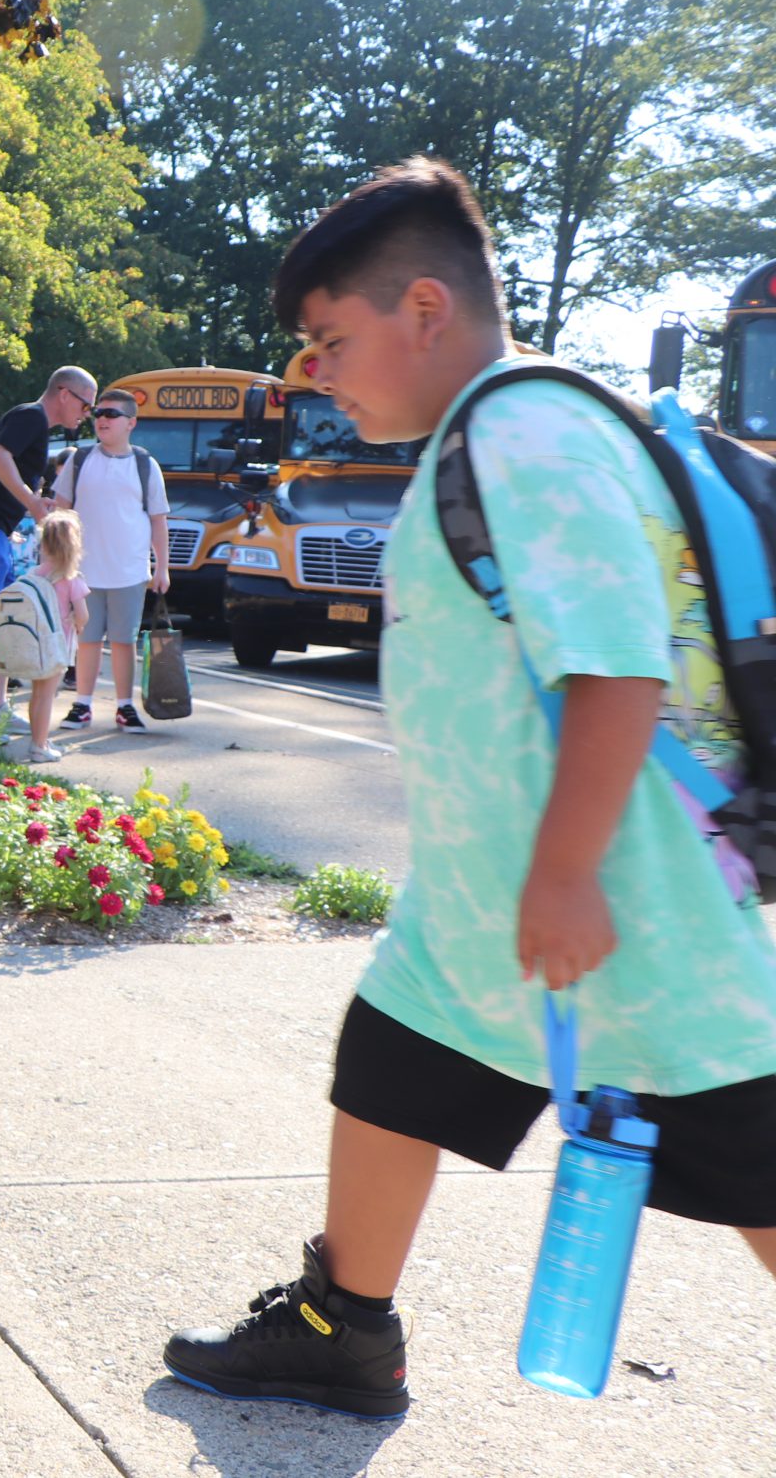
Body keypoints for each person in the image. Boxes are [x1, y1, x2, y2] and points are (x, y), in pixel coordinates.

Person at [162, 159, 776, 1421]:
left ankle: (342, 1325)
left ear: (425, 310)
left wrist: (561, 875)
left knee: (754, 1171)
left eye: (331, 341)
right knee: (390, 1062)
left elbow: (616, 670)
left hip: (624, 907)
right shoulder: (491, 431)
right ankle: (342, 1328)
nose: (315, 375)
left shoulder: (521, 431)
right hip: (493, 910)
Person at [0, 369, 96, 736]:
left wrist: (31, 502)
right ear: (64, 393)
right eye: (86, 404)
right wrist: (31, 501)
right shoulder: (30, 415)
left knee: (0, 616)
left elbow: (4, 463)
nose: (87, 413)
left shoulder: (36, 426)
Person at [55, 387, 171, 733]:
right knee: (87, 640)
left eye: (111, 414)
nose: (101, 419)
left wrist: (162, 567)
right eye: (98, 413)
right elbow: (60, 511)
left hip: (130, 570)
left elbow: (158, 519)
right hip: (84, 572)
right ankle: (82, 704)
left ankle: (124, 707)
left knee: (123, 640)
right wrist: (57, 564)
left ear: (131, 423)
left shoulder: (145, 465)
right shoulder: (79, 459)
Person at [6, 510, 84, 765]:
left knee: (37, 695)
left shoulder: (33, 574)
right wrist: (78, 624)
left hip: (34, 645)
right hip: (57, 646)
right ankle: (39, 746)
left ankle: (37, 741)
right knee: (48, 696)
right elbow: (83, 615)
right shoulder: (71, 580)